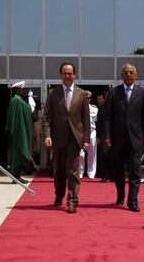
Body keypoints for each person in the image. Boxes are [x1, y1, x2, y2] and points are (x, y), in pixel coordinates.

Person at [42, 63, 90, 214]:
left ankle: (72, 200)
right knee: (59, 171)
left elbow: (86, 119)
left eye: (70, 73)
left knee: (72, 170)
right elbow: (46, 117)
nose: (67, 76)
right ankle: (59, 195)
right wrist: (47, 135)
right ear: (61, 75)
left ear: (75, 75)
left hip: (75, 139)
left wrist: (86, 139)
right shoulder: (53, 93)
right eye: (64, 73)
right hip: (57, 138)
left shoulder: (82, 94)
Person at [104, 64, 144, 212]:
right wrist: (107, 136)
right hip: (118, 139)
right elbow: (107, 117)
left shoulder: (142, 93)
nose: (128, 75)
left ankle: (133, 202)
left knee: (135, 171)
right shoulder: (113, 92)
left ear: (135, 76)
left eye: (131, 73)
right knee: (118, 171)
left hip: (135, 139)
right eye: (126, 73)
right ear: (121, 76)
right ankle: (120, 194)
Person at [5, 81, 32, 184]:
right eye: (22, 88)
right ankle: (16, 176)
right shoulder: (16, 101)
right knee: (17, 154)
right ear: (18, 89)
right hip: (18, 132)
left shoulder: (17, 101)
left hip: (20, 131)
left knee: (19, 155)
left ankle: (17, 175)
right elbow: (24, 110)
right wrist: (30, 104)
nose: (23, 90)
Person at [79, 91, 98, 179]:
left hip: (92, 132)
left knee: (92, 153)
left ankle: (91, 173)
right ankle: (80, 172)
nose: (87, 100)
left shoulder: (95, 109)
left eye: (88, 98)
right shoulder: (78, 109)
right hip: (82, 133)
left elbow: (98, 122)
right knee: (80, 154)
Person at [96, 92, 111, 182]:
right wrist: (98, 137)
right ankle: (104, 174)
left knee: (114, 156)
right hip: (104, 135)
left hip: (115, 135)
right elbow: (99, 124)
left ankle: (113, 174)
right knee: (104, 156)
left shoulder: (116, 106)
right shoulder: (102, 108)